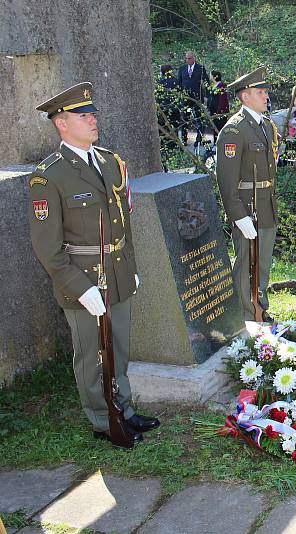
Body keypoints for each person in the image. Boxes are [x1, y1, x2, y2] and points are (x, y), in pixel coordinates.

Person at [29, 82, 160, 444]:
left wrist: (130, 265)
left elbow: (123, 221)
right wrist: (80, 288)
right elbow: (47, 247)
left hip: (116, 272)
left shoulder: (108, 161)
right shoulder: (49, 176)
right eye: (83, 115)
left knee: (118, 346)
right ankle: (103, 420)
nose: (92, 120)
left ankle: (125, 410)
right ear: (61, 124)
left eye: (92, 113)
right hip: (83, 279)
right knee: (91, 353)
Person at [215, 67, 279, 323]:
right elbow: (226, 179)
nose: (265, 96)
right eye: (260, 92)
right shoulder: (234, 130)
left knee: (262, 263)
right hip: (247, 208)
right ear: (245, 96)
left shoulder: (266, 126)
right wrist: (237, 215)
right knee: (245, 265)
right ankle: (244, 316)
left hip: (265, 205)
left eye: (265, 92)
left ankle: (259, 307)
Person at [176, 51, 211, 145]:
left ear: (193, 58)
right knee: (184, 118)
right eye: (186, 58)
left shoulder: (200, 68)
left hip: (197, 98)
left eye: (189, 58)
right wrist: (179, 94)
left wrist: (206, 96)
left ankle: (199, 138)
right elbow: (179, 83)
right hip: (185, 98)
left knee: (199, 118)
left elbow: (206, 82)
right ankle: (184, 139)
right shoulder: (182, 68)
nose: (188, 60)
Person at [155, 64, 182, 160]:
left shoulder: (160, 82)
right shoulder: (176, 81)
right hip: (174, 109)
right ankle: (173, 149)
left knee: (164, 130)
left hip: (163, 110)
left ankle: (165, 149)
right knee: (173, 129)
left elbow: (157, 96)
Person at [207, 70, 230, 143]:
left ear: (215, 76)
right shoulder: (213, 86)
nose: (209, 76)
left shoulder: (221, 86)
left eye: (210, 75)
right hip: (213, 111)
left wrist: (219, 112)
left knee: (219, 128)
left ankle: (220, 145)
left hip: (219, 112)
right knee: (214, 128)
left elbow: (222, 100)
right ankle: (216, 144)